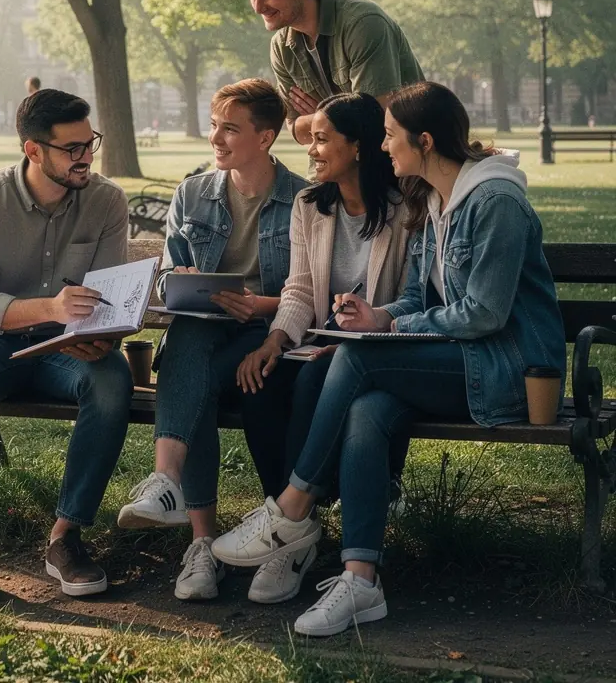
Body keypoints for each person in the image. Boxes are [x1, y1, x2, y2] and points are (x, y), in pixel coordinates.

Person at [212, 81, 566, 637]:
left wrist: (392, 327)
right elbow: (420, 300)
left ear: (424, 140)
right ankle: (361, 580)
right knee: (365, 410)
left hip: (507, 370)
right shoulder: (433, 201)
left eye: (390, 136)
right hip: (454, 359)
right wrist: (377, 317)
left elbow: (484, 314)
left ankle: (293, 508)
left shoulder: (496, 202)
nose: (383, 147)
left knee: (355, 363)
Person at [0, 88, 132, 612]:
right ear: (33, 150)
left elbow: (112, 296)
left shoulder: (106, 200)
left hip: (68, 348)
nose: (86, 157)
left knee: (112, 379)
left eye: (91, 144)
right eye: (72, 149)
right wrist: (51, 309)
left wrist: (104, 334)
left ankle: (66, 537)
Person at [116, 79, 309, 602]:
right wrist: (179, 281)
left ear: (266, 137)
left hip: (270, 331)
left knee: (190, 377)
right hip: (206, 330)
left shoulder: (302, 200)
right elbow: (165, 279)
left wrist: (258, 306)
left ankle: (193, 508)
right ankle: (199, 540)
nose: (215, 138)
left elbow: (310, 289)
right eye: (213, 124)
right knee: (191, 342)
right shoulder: (193, 193)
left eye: (230, 128)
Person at [228, 92, 411, 605]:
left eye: (322, 138)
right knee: (260, 381)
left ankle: (294, 524)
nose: (310, 148)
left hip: (374, 348)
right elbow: (301, 289)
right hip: (319, 342)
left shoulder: (404, 209)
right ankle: (289, 525)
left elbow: (411, 297)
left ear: (358, 146)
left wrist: (362, 337)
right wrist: (276, 339)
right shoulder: (311, 204)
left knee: (313, 379)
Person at [234, 0, 423, 148]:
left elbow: (374, 120)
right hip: (333, 162)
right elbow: (295, 130)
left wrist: (319, 116)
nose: (257, 7)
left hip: (401, 161)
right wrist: (329, 118)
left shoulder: (363, 23)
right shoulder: (281, 47)